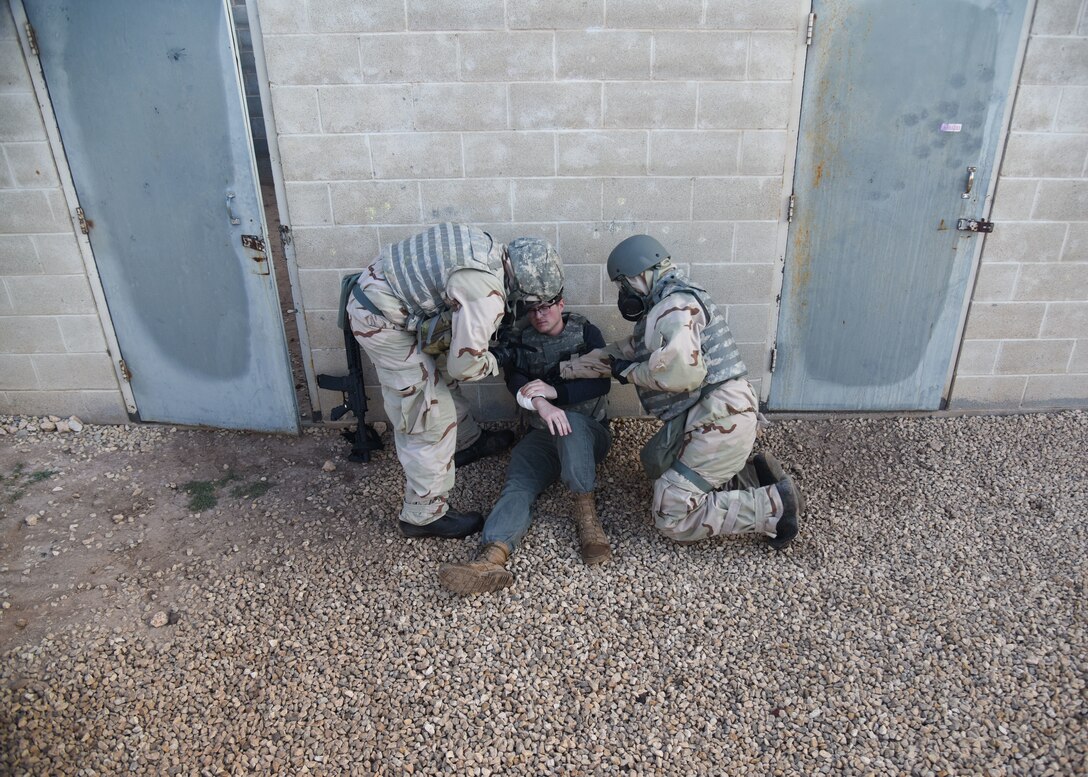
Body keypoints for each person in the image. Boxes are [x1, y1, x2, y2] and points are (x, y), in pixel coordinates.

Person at [559, 235, 802, 548]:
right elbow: (624, 353)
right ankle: (748, 478)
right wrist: (567, 368)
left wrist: (629, 373)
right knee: (656, 463)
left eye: (623, 286)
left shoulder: (673, 306)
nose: (624, 295)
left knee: (671, 516)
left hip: (719, 418)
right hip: (714, 412)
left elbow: (681, 375)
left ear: (638, 277)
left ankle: (774, 507)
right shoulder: (668, 303)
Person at [345, 223, 563, 539]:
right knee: (429, 412)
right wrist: (496, 358)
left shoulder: (488, 248)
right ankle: (423, 515)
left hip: (386, 298)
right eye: (533, 301)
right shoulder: (486, 293)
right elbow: (466, 367)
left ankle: (467, 443)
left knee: (441, 377)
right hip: (380, 321)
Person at [438, 292, 612, 594]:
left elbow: (602, 380)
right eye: (532, 310)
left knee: (569, 427)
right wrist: (542, 404)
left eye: (546, 307)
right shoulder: (520, 339)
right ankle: (492, 557)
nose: (539, 315)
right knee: (519, 482)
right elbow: (516, 383)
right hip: (542, 433)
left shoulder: (585, 331)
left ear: (561, 304)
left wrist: (555, 393)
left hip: (588, 432)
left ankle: (587, 518)